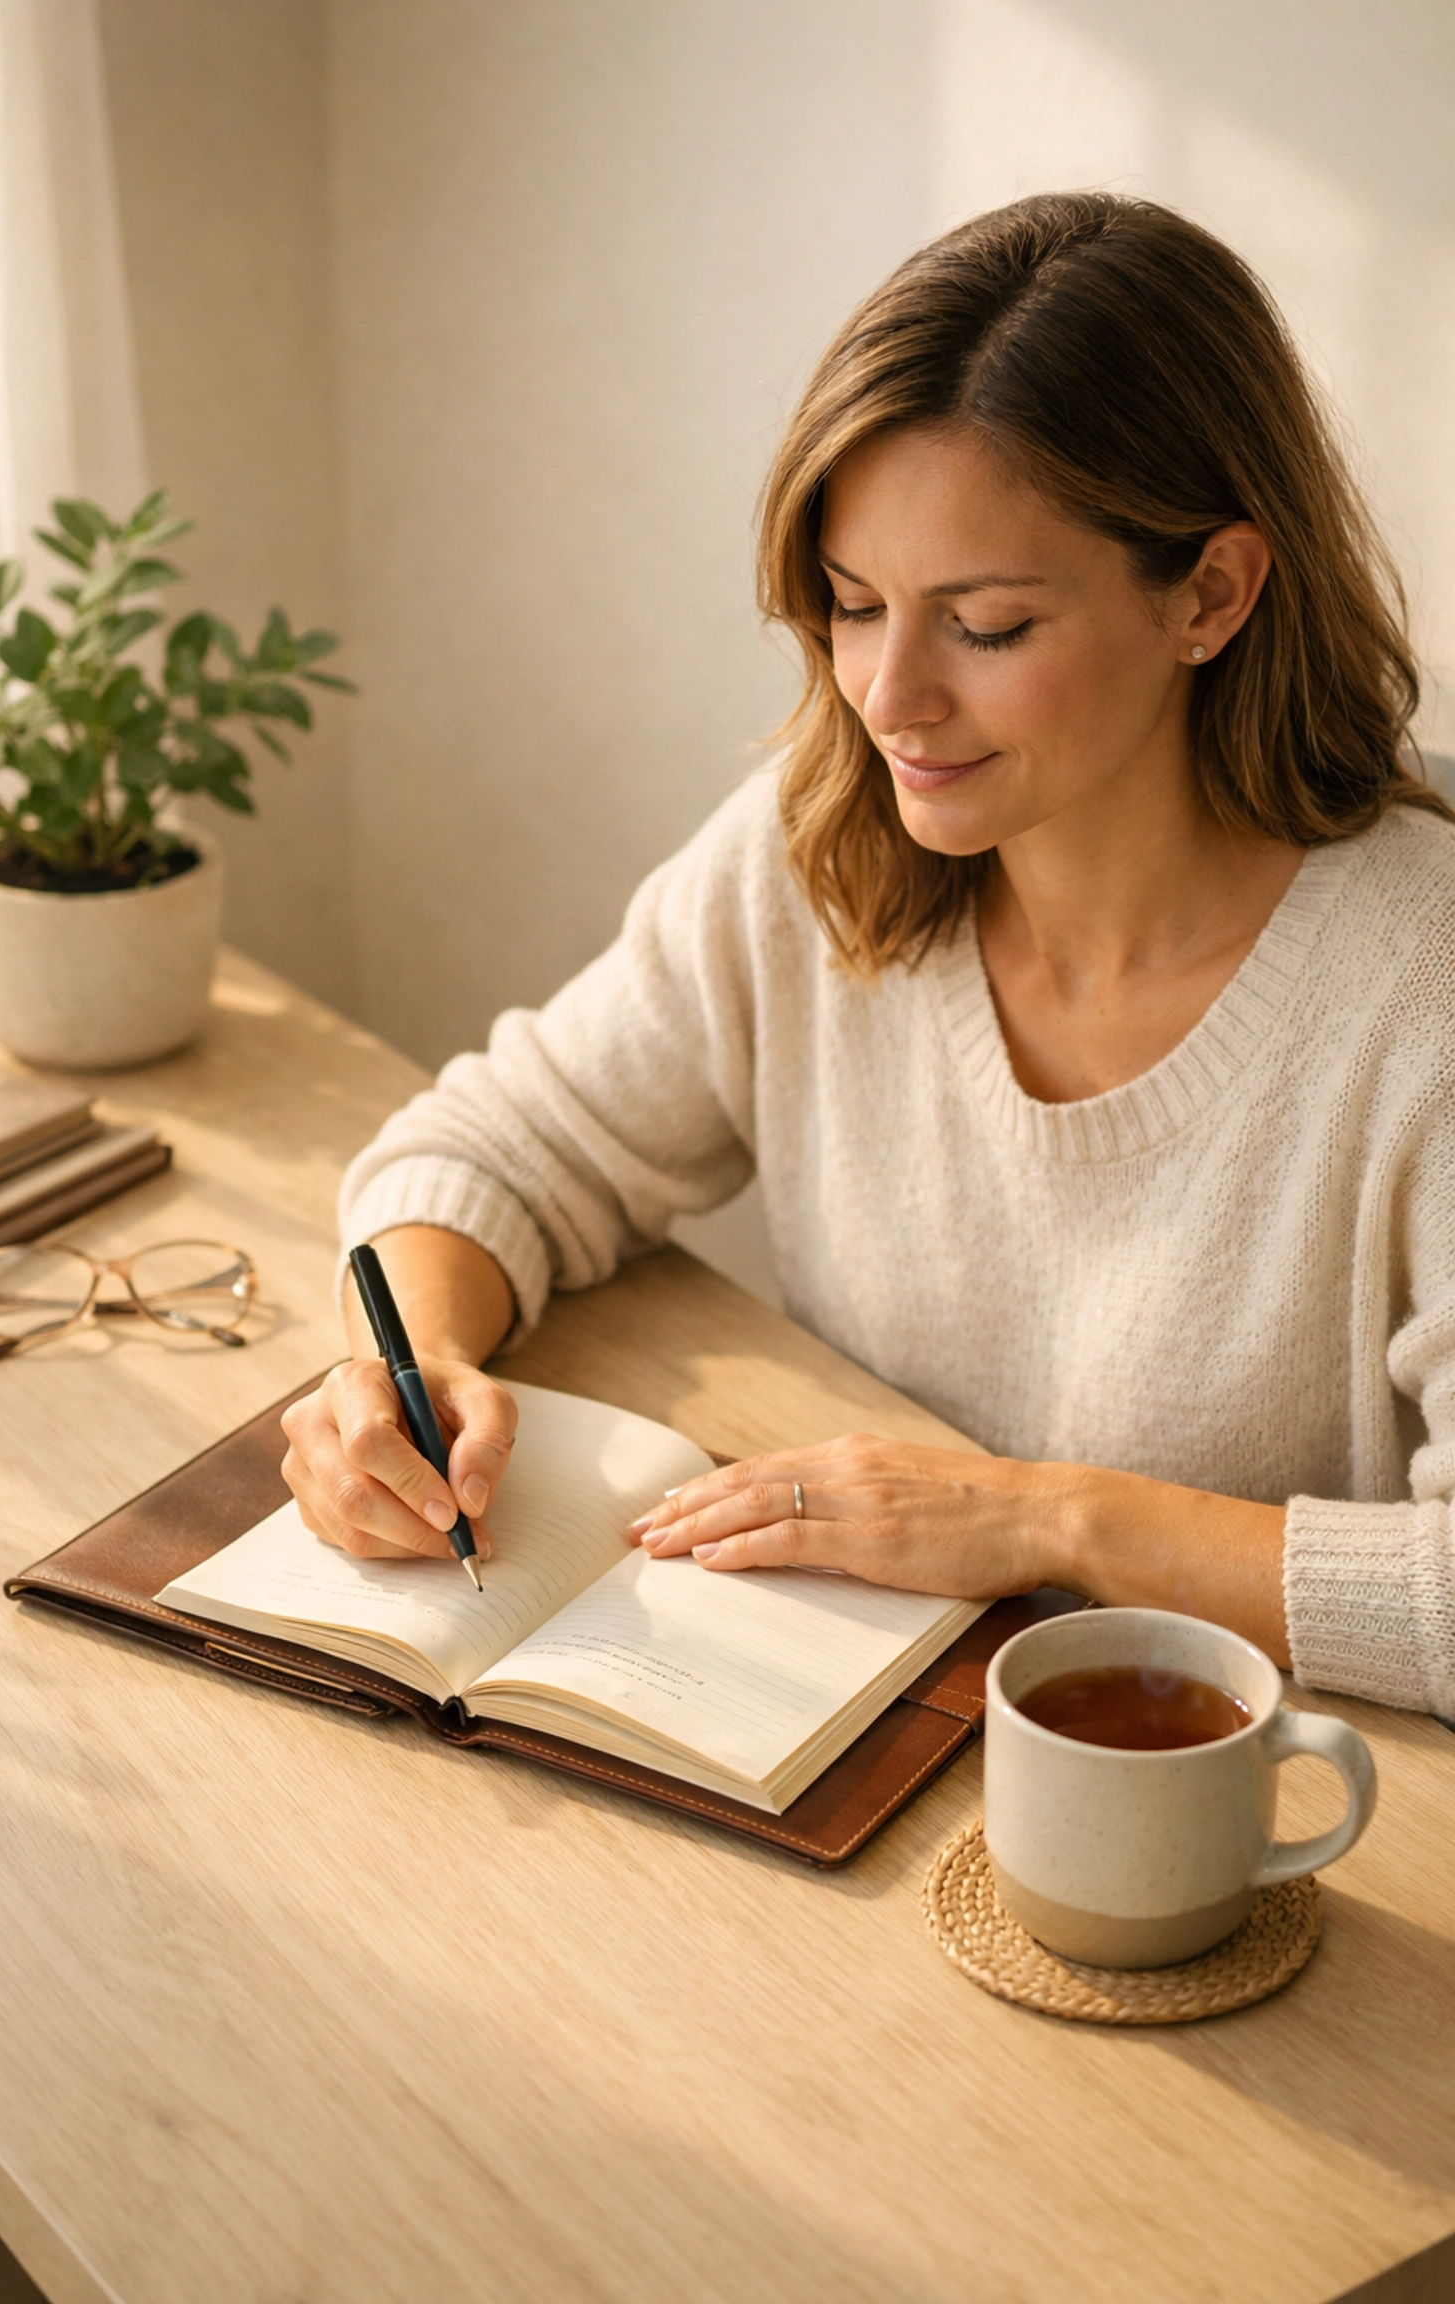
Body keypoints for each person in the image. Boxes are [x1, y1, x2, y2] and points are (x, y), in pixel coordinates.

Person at [282, 191, 1455, 1719]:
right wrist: (406, 1370)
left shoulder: (1417, 984)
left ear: (1212, 596)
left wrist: (1051, 1520)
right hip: (841, 1727)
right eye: (852, 605)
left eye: (986, 626)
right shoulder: (825, 838)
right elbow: (497, 1142)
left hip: (1253, 1815)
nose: (888, 696)